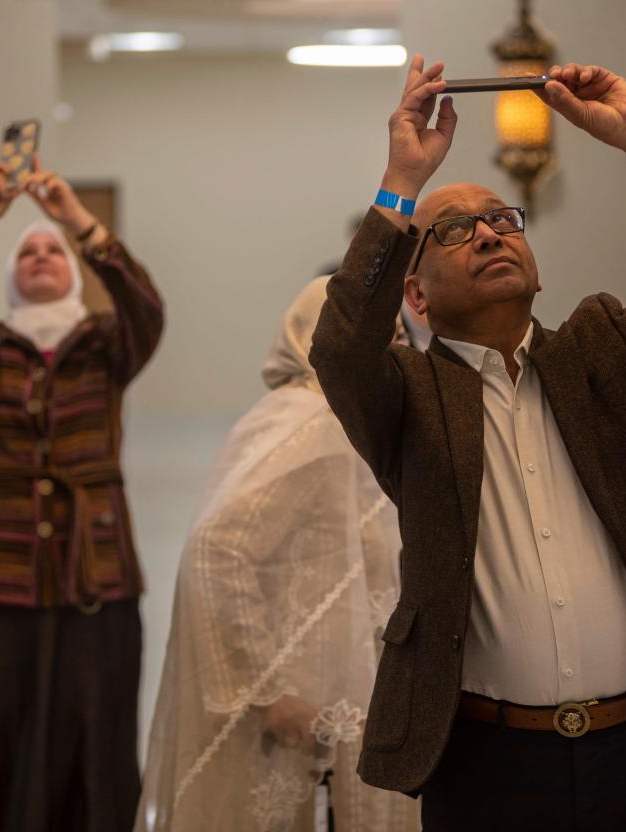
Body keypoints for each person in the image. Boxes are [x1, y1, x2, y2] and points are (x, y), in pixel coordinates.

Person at [309, 56, 626, 831]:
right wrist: (402, 184)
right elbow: (338, 348)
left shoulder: (608, 351)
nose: (489, 234)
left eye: (502, 220)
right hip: (486, 765)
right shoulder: (404, 398)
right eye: (454, 230)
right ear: (415, 296)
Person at [0, 159, 164, 832]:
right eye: (29, 251)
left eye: (53, 249)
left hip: (95, 572)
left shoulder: (108, 343)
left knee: (92, 733)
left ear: (73, 269)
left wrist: (77, 220)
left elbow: (145, 305)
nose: (42, 256)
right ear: (11, 274)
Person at [136, 278, 418, 832]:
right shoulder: (306, 420)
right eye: (373, 334)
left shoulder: (353, 421)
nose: (392, 349)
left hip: (350, 694)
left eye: (398, 335)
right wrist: (269, 689)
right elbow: (217, 552)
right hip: (300, 706)